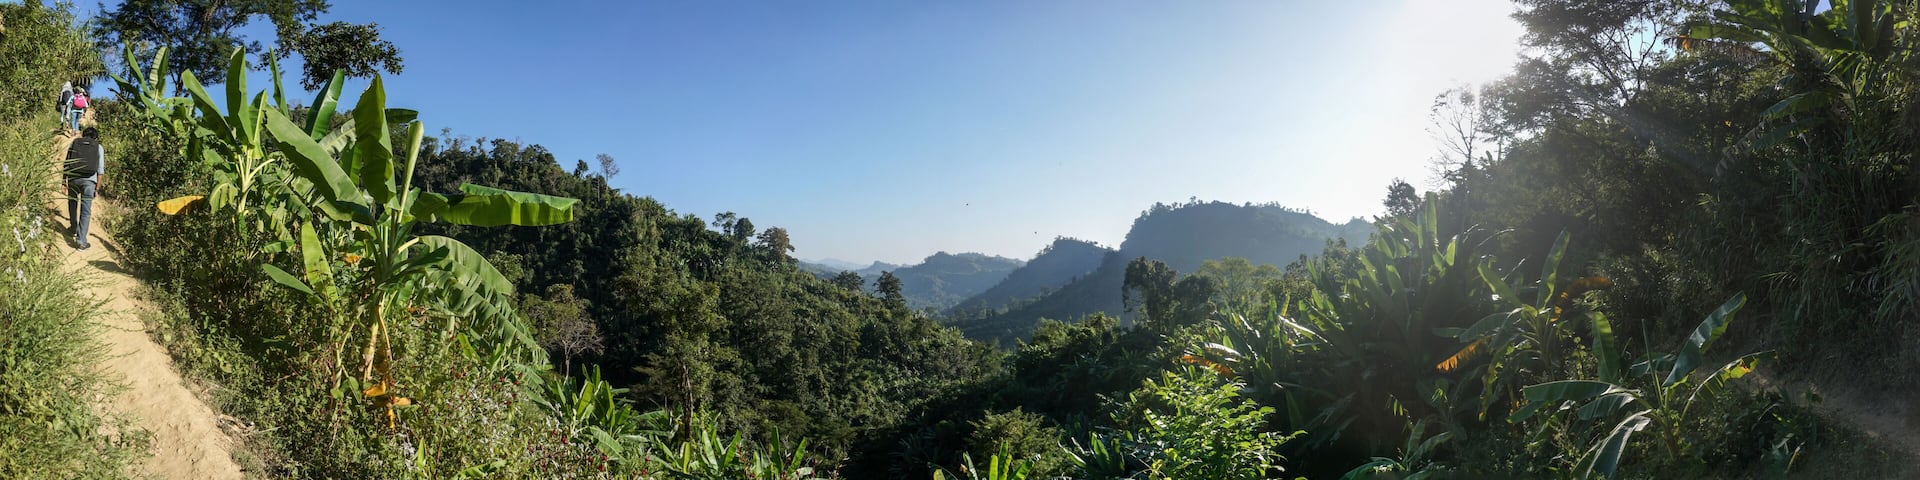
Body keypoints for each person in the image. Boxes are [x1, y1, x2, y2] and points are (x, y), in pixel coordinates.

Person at [65, 127, 104, 250]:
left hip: (73, 178)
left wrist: (63, 181)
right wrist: (97, 188)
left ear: (83, 135)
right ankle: (81, 241)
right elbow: (100, 171)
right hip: (89, 182)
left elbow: (67, 162)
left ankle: (73, 228)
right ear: (95, 138)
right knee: (85, 211)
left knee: (72, 203)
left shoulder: (75, 143)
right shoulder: (98, 147)